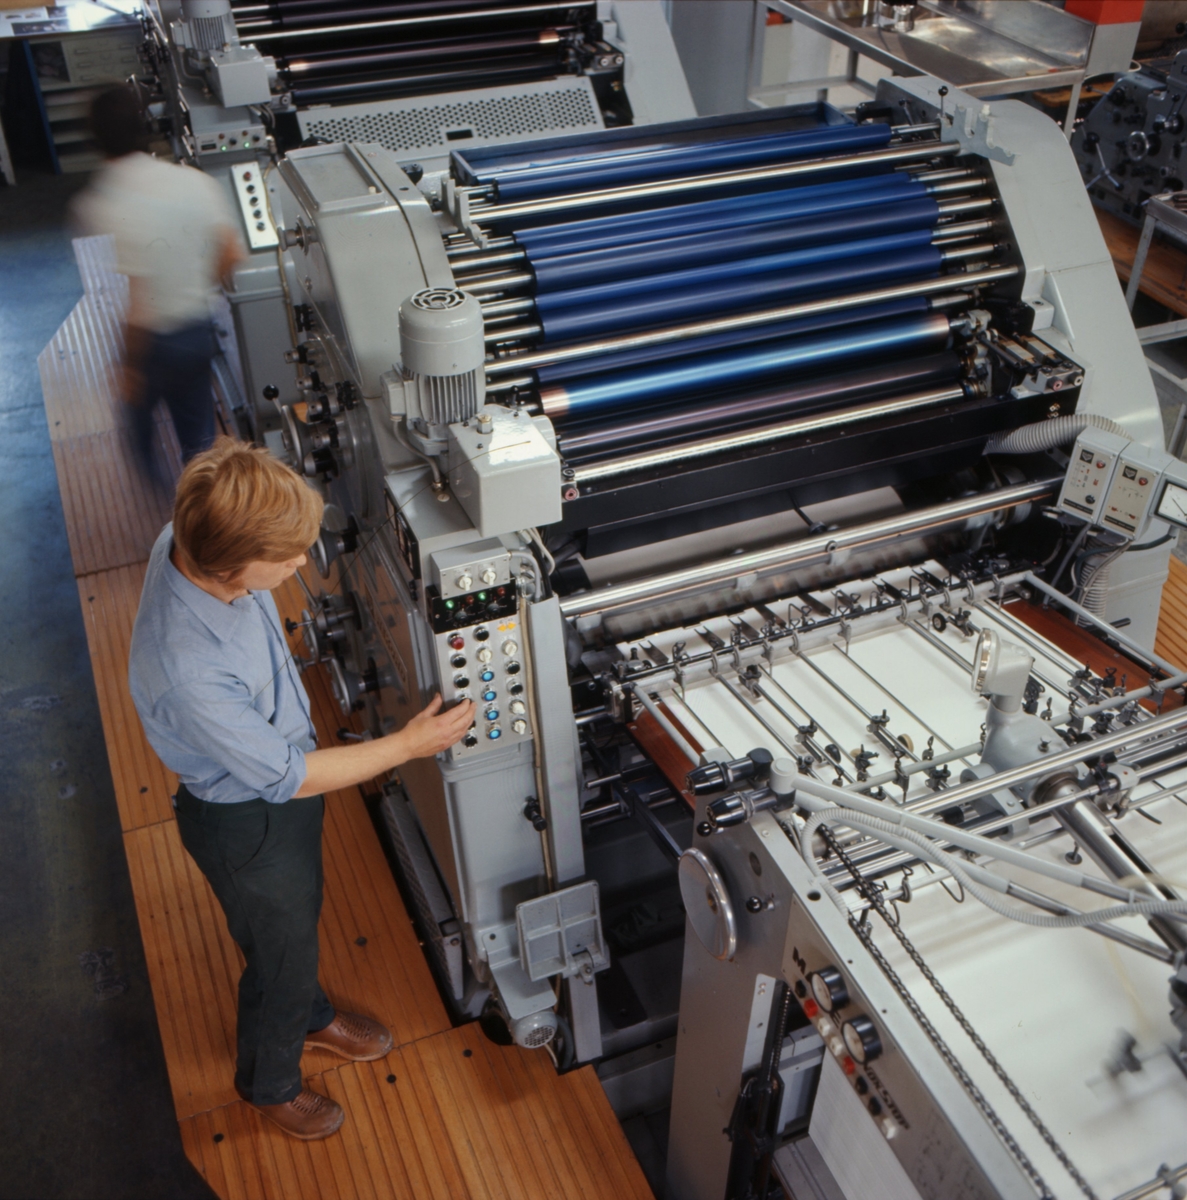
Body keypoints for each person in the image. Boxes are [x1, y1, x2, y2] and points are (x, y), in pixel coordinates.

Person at [128, 439, 476, 1139]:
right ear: (230, 564)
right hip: (247, 822)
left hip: (273, 800)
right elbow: (290, 778)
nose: (299, 565)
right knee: (278, 955)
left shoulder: (190, 536)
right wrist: (408, 745)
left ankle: (312, 1017)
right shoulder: (187, 669)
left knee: (290, 927)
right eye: (286, 557)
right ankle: (270, 1085)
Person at [72, 85, 246, 483]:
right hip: (197, 331)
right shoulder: (195, 181)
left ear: (95, 138)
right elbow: (232, 253)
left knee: (137, 426)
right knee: (199, 440)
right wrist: (196, 285)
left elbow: (138, 303)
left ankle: (160, 494)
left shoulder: (98, 202)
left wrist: (129, 366)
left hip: (152, 342)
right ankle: (200, 500)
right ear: (145, 127)